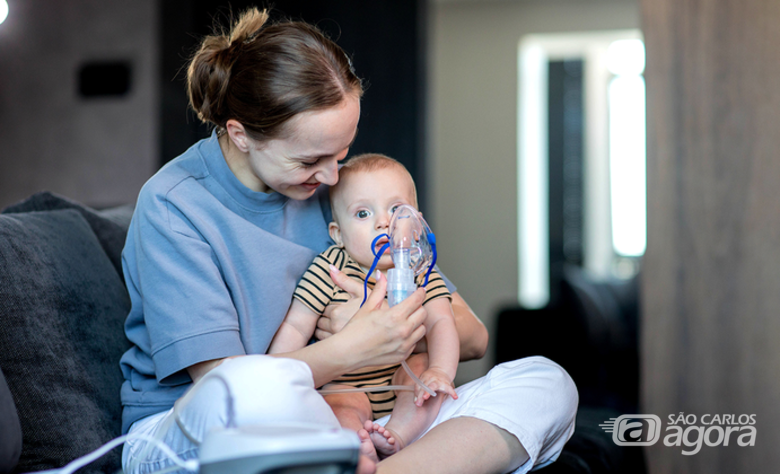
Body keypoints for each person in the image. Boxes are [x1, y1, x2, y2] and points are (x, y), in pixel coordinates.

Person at [119, 7, 577, 474]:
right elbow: (226, 390)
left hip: (362, 409)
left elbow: (473, 336)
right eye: (311, 159)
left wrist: (384, 323)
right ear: (241, 135)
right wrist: (351, 347)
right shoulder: (174, 206)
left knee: (547, 383)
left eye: (340, 154)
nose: (333, 176)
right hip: (197, 429)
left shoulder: (342, 195)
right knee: (254, 388)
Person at [269, 153, 460, 460]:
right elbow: (296, 324)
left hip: (402, 375)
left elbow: (441, 322)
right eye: (362, 214)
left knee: (426, 377)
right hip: (346, 383)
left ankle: (397, 435)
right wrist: (278, 370)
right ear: (338, 235)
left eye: (397, 209)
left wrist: (440, 370)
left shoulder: (421, 269)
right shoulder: (331, 269)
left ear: (418, 222)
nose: (384, 222)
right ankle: (357, 449)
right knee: (340, 405)